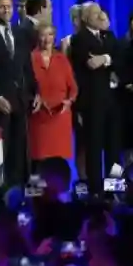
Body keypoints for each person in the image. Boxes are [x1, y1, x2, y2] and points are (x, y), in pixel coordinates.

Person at [0, 0, 40, 185]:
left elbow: (27, 66)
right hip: (2, 101)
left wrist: (36, 92)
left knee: (21, 148)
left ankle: (22, 189)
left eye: (9, 7)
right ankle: (4, 190)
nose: (6, 10)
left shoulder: (20, 33)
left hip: (21, 98)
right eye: (2, 7)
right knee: (4, 148)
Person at [69, 3, 121, 190]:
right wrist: (107, 59)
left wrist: (105, 59)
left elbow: (119, 57)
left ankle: (115, 187)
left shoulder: (109, 36)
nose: (100, 16)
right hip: (93, 103)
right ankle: (96, 189)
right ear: (85, 18)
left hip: (113, 103)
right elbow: (89, 64)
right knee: (94, 148)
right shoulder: (80, 39)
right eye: (95, 13)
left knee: (114, 149)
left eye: (101, 12)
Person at [28, 23, 78, 164]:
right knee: (40, 161)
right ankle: (39, 186)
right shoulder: (31, 59)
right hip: (39, 117)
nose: (46, 39)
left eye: (50, 34)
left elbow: (73, 87)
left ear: (54, 37)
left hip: (60, 117)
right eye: (43, 35)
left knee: (59, 161)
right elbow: (26, 86)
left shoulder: (62, 59)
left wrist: (69, 101)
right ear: (38, 37)